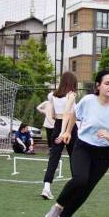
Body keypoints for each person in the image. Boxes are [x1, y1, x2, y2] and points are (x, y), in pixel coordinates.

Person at [44, 70, 109, 217]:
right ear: (98, 86)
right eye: (107, 83)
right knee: (80, 180)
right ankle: (56, 208)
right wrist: (67, 132)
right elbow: (74, 115)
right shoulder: (88, 101)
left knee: (86, 189)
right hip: (83, 146)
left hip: (105, 153)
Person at [41, 72, 79, 200]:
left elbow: (51, 115)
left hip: (57, 127)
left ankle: (46, 187)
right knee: (75, 157)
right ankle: (77, 187)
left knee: (54, 158)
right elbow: (68, 112)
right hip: (70, 128)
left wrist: (60, 131)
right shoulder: (72, 95)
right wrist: (64, 132)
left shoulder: (52, 95)